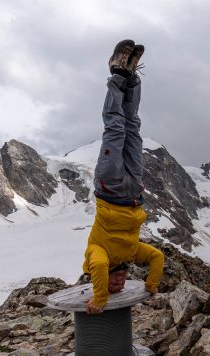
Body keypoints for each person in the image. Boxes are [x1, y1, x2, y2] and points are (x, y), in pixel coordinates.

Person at [83, 39, 164, 314]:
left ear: (102, 282)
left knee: (116, 130)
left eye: (112, 284)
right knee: (134, 130)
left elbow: (100, 266)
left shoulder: (97, 254)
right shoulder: (131, 255)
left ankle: (116, 75)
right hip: (134, 193)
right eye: (121, 284)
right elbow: (157, 258)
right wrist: (151, 285)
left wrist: (101, 299)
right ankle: (132, 79)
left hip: (109, 187)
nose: (119, 281)